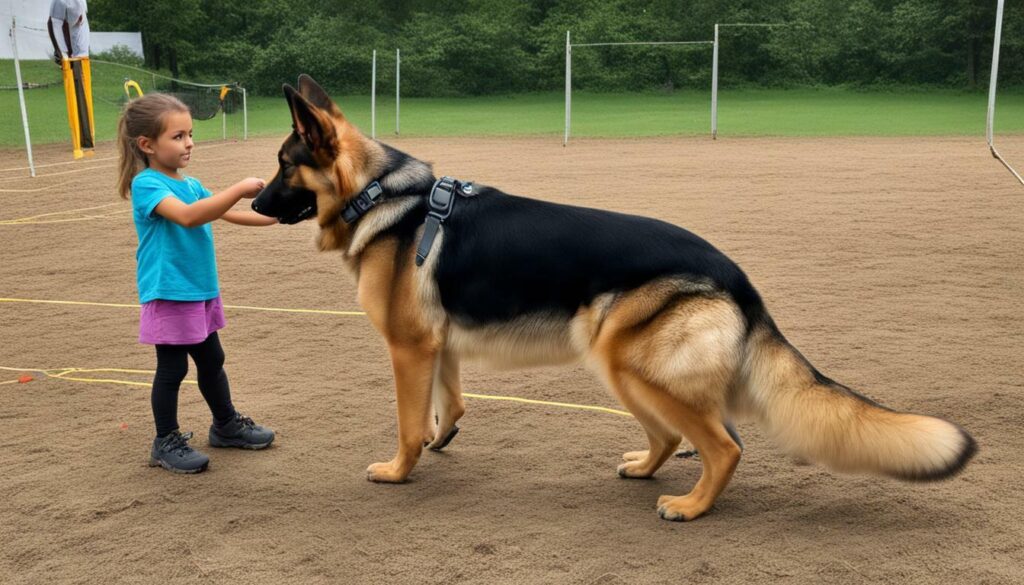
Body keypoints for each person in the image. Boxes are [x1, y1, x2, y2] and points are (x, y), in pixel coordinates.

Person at [117, 93, 278, 474]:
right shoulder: (147, 184)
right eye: (178, 136)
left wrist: (280, 215)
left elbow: (228, 214)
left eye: (189, 134)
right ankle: (165, 440)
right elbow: (189, 218)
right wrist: (238, 187)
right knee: (172, 370)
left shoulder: (190, 184)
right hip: (170, 292)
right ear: (147, 145)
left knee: (213, 360)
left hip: (200, 290)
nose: (188, 142)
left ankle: (225, 426)